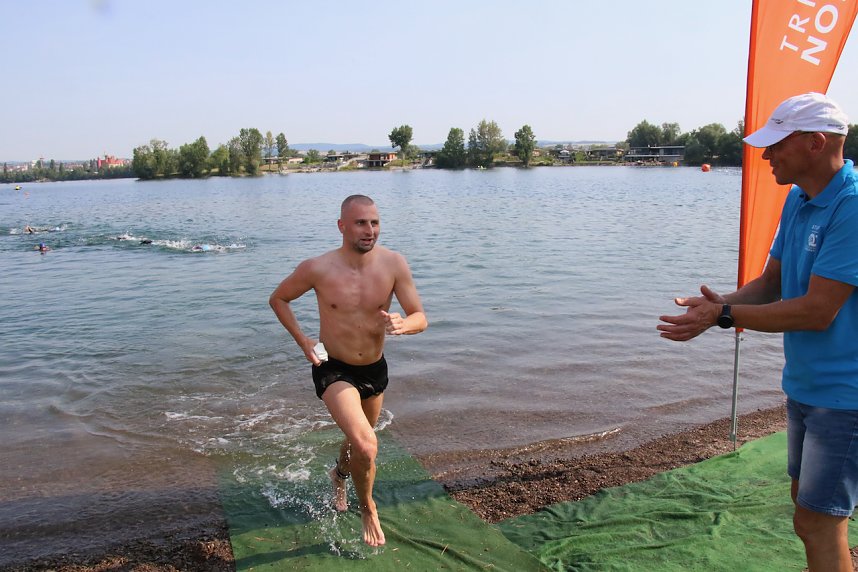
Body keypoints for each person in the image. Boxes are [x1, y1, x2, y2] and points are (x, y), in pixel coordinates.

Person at [657, 92, 857, 571]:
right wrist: (718, 305)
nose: (766, 155)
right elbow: (772, 283)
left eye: (776, 144)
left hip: (846, 398)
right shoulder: (798, 198)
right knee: (807, 509)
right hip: (805, 387)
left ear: (815, 143)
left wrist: (723, 316)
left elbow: (818, 311)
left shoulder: (851, 207)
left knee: (818, 522)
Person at [269, 194, 427, 547]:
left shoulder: (394, 264)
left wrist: (405, 324)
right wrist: (303, 340)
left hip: (374, 368)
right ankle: (368, 508)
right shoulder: (317, 268)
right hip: (333, 368)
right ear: (342, 226)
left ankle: (338, 474)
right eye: (360, 223)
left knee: (359, 440)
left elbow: (420, 316)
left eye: (374, 222)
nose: (369, 230)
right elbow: (278, 299)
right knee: (367, 446)